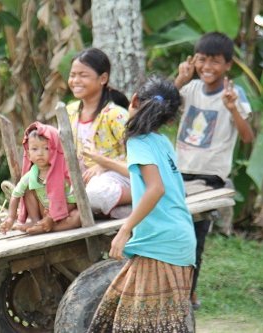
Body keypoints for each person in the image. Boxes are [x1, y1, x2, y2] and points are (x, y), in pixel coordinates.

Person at [87, 76, 196, 332]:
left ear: (134, 100)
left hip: (161, 243)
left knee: (132, 323)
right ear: (169, 118)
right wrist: (103, 161)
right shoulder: (161, 142)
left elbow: (155, 188)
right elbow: (142, 173)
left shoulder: (138, 141)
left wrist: (124, 230)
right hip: (179, 237)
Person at [174, 32, 255, 309]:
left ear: (228, 65)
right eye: (202, 60)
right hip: (180, 173)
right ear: (194, 60)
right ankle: (177, 290)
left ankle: (189, 293)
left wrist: (232, 109)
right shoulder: (190, 89)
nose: (207, 66)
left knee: (194, 237)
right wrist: (180, 81)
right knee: (175, 234)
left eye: (215, 61)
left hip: (210, 179)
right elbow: (162, 111)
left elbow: (247, 137)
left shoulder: (234, 93)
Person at [67, 47, 131, 220]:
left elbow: (138, 156)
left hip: (115, 177)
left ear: (103, 78)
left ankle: (141, 194)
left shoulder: (115, 115)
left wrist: (104, 165)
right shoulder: (69, 112)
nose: (76, 80)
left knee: (93, 194)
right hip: (81, 178)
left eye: (83, 75)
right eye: (73, 75)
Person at [0, 121, 81, 234]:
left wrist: (52, 218)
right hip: (43, 212)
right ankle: (35, 222)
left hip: (63, 212)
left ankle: (44, 228)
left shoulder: (63, 175)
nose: (40, 153)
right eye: (35, 149)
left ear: (55, 150)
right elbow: (15, 195)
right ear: (28, 154)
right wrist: (10, 218)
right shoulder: (30, 175)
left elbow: (72, 202)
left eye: (46, 148)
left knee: (78, 217)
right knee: (27, 189)